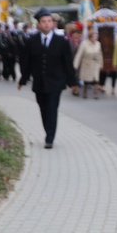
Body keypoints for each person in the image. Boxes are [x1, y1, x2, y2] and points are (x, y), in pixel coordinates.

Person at [17, 8, 79, 149]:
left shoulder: (61, 41)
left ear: (53, 24)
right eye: (43, 21)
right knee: (43, 109)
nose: (46, 24)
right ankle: (48, 131)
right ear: (39, 24)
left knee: (52, 109)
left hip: (56, 82)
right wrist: (23, 80)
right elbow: (27, 63)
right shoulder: (32, 41)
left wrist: (73, 82)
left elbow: (67, 64)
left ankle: (49, 138)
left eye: (49, 21)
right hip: (39, 82)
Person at [73, 29, 104, 99]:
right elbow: (79, 54)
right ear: (90, 37)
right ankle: (84, 92)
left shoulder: (98, 44)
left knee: (96, 79)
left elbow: (100, 55)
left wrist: (101, 64)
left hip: (95, 64)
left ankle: (95, 93)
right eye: (94, 36)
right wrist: (75, 64)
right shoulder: (84, 44)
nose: (96, 37)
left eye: (97, 36)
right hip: (86, 64)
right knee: (86, 80)